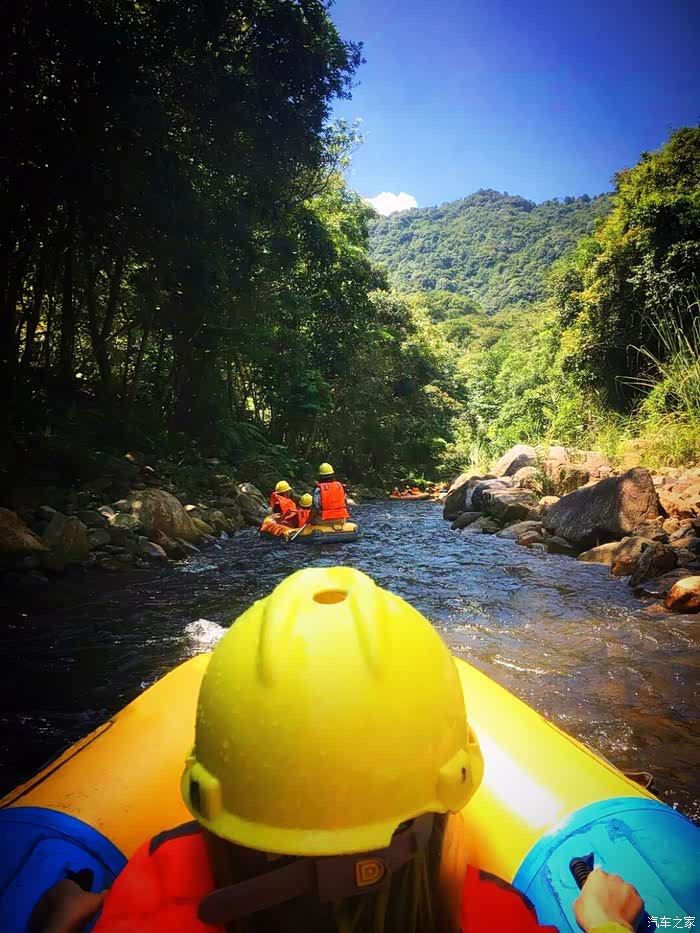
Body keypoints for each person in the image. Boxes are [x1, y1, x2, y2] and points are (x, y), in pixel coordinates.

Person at [37, 568, 644, 933]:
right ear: (454, 788)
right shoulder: (496, 918)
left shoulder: (143, 899)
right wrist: (604, 922)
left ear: (209, 800)